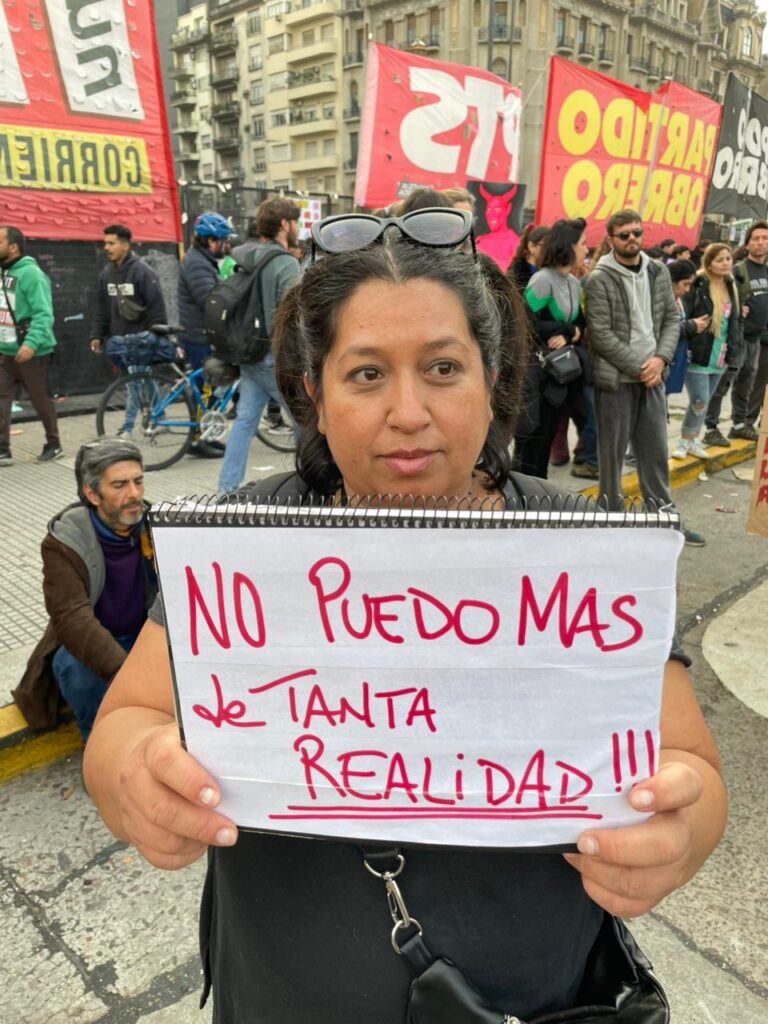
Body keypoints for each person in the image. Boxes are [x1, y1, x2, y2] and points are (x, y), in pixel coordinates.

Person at [83, 211, 726, 1024]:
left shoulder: (585, 549)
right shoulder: (241, 545)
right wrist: (136, 775)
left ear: (493, 379)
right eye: (365, 374)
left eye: (443, 368)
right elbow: (125, 722)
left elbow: (693, 767)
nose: (409, 411)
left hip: (533, 999)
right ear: (315, 393)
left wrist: (681, 832)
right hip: (279, 995)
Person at [13, 439, 156, 740]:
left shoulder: (157, 526)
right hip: (93, 644)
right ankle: (96, 737)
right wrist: (125, 672)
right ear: (91, 493)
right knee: (77, 672)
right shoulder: (65, 540)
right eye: (119, 485)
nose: (134, 494)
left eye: (138, 481)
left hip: (145, 636)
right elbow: (71, 618)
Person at [583, 210, 705, 541]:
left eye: (636, 232)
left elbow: (669, 320)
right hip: (617, 380)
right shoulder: (599, 278)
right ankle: (610, 523)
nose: (632, 239)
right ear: (611, 239)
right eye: (624, 235)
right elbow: (601, 335)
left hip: (653, 377)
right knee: (611, 458)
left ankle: (664, 521)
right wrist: (643, 367)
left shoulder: (657, 271)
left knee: (655, 453)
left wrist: (661, 360)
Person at [217, 197, 301, 492]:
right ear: (284, 225)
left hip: (249, 354)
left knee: (244, 424)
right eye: (295, 222)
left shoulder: (246, 256)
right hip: (275, 358)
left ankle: (226, 490)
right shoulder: (285, 263)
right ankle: (315, 486)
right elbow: (294, 316)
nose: (298, 228)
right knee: (306, 424)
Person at [513, 217, 592, 479]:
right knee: (530, 443)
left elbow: (580, 324)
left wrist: (569, 334)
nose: (586, 249)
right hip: (536, 374)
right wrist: (567, 329)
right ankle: (521, 493)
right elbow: (525, 322)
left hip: (559, 376)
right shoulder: (543, 280)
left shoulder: (573, 283)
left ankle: (537, 492)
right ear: (568, 246)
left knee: (546, 439)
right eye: (582, 243)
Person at [672, 245, 743, 461]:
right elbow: (683, 313)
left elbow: (736, 321)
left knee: (706, 400)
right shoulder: (698, 283)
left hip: (720, 354)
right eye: (719, 259)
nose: (725, 263)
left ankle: (693, 439)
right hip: (698, 353)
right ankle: (684, 441)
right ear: (709, 263)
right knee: (699, 399)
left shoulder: (732, 285)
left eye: (728, 258)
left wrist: (735, 348)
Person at [0, 225, 62, 464]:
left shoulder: (32, 274)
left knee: (39, 399)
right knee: (1, 398)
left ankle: (54, 444)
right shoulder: (3, 272)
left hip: (33, 352)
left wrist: (31, 344)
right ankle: (3, 448)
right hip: (5, 351)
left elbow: (43, 314)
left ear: (13, 247)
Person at [703, 220, 768, 446]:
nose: (760, 243)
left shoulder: (766, 271)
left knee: (746, 384)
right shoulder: (738, 270)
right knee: (722, 383)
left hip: (755, 339)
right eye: (756, 239)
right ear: (747, 244)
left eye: (765, 238)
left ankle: (739, 424)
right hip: (736, 338)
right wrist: (738, 308)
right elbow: (721, 295)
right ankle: (710, 427)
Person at [177, 212, 236, 458]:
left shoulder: (201, 260)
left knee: (208, 389)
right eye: (223, 240)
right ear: (211, 241)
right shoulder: (197, 263)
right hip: (199, 336)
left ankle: (206, 434)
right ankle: (198, 440)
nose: (226, 245)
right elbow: (209, 299)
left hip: (201, 333)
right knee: (206, 390)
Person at [89, 224, 167, 355]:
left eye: (111, 243)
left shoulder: (143, 273)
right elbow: (102, 310)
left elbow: (157, 312)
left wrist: (154, 342)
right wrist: (97, 335)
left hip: (142, 349)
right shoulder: (106, 275)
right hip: (117, 347)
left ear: (125, 246)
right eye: (105, 243)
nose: (106, 247)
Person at [665, 259, 706, 397]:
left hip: (676, 358)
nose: (687, 289)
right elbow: (662, 327)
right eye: (685, 284)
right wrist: (691, 326)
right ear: (671, 280)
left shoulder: (680, 299)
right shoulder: (659, 299)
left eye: (690, 285)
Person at [506, 223, 549, 293]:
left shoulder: (550, 270)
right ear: (531, 246)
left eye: (550, 246)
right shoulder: (516, 273)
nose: (548, 249)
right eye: (543, 245)